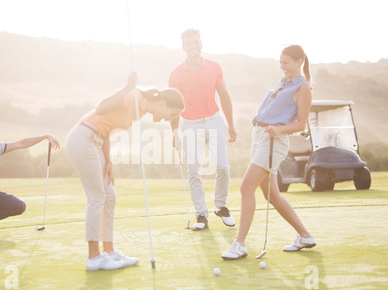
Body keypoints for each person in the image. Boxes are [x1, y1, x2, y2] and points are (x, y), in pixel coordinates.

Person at [65, 72, 185, 271]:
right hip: (82, 138)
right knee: (97, 197)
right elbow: (101, 109)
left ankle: (109, 251)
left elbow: (105, 129)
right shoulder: (135, 96)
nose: (166, 119)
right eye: (169, 114)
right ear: (162, 104)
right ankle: (93, 258)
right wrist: (127, 88)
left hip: (96, 142)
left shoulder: (142, 108)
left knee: (110, 195)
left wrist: (108, 160)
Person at [222, 45, 316, 260]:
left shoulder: (303, 88)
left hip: (274, 140)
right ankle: (305, 236)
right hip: (261, 137)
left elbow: (301, 124)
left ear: (299, 60)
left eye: (286, 63)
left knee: (246, 187)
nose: (282, 67)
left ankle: (240, 244)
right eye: (280, 62)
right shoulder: (284, 83)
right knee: (271, 195)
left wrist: (279, 129)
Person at [169, 29, 237, 231]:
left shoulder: (214, 67)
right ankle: (201, 215)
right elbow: (173, 105)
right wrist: (174, 131)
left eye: (196, 42)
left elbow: (224, 96)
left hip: (214, 121)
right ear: (184, 47)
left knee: (223, 167)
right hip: (190, 124)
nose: (194, 46)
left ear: (201, 44)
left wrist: (230, 125)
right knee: (194, 171)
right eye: (189, 43)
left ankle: (221, 206)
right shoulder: (176, 74)